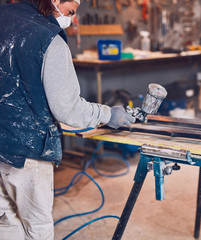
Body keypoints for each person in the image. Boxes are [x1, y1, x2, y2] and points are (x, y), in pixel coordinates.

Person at [0, 0, 135, 239]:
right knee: (36, 228)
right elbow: (67, 109)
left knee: (5, 222)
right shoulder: (48, 38)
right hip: (28, 149)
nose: (70, 20)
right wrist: (108, 115)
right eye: (70, 11)